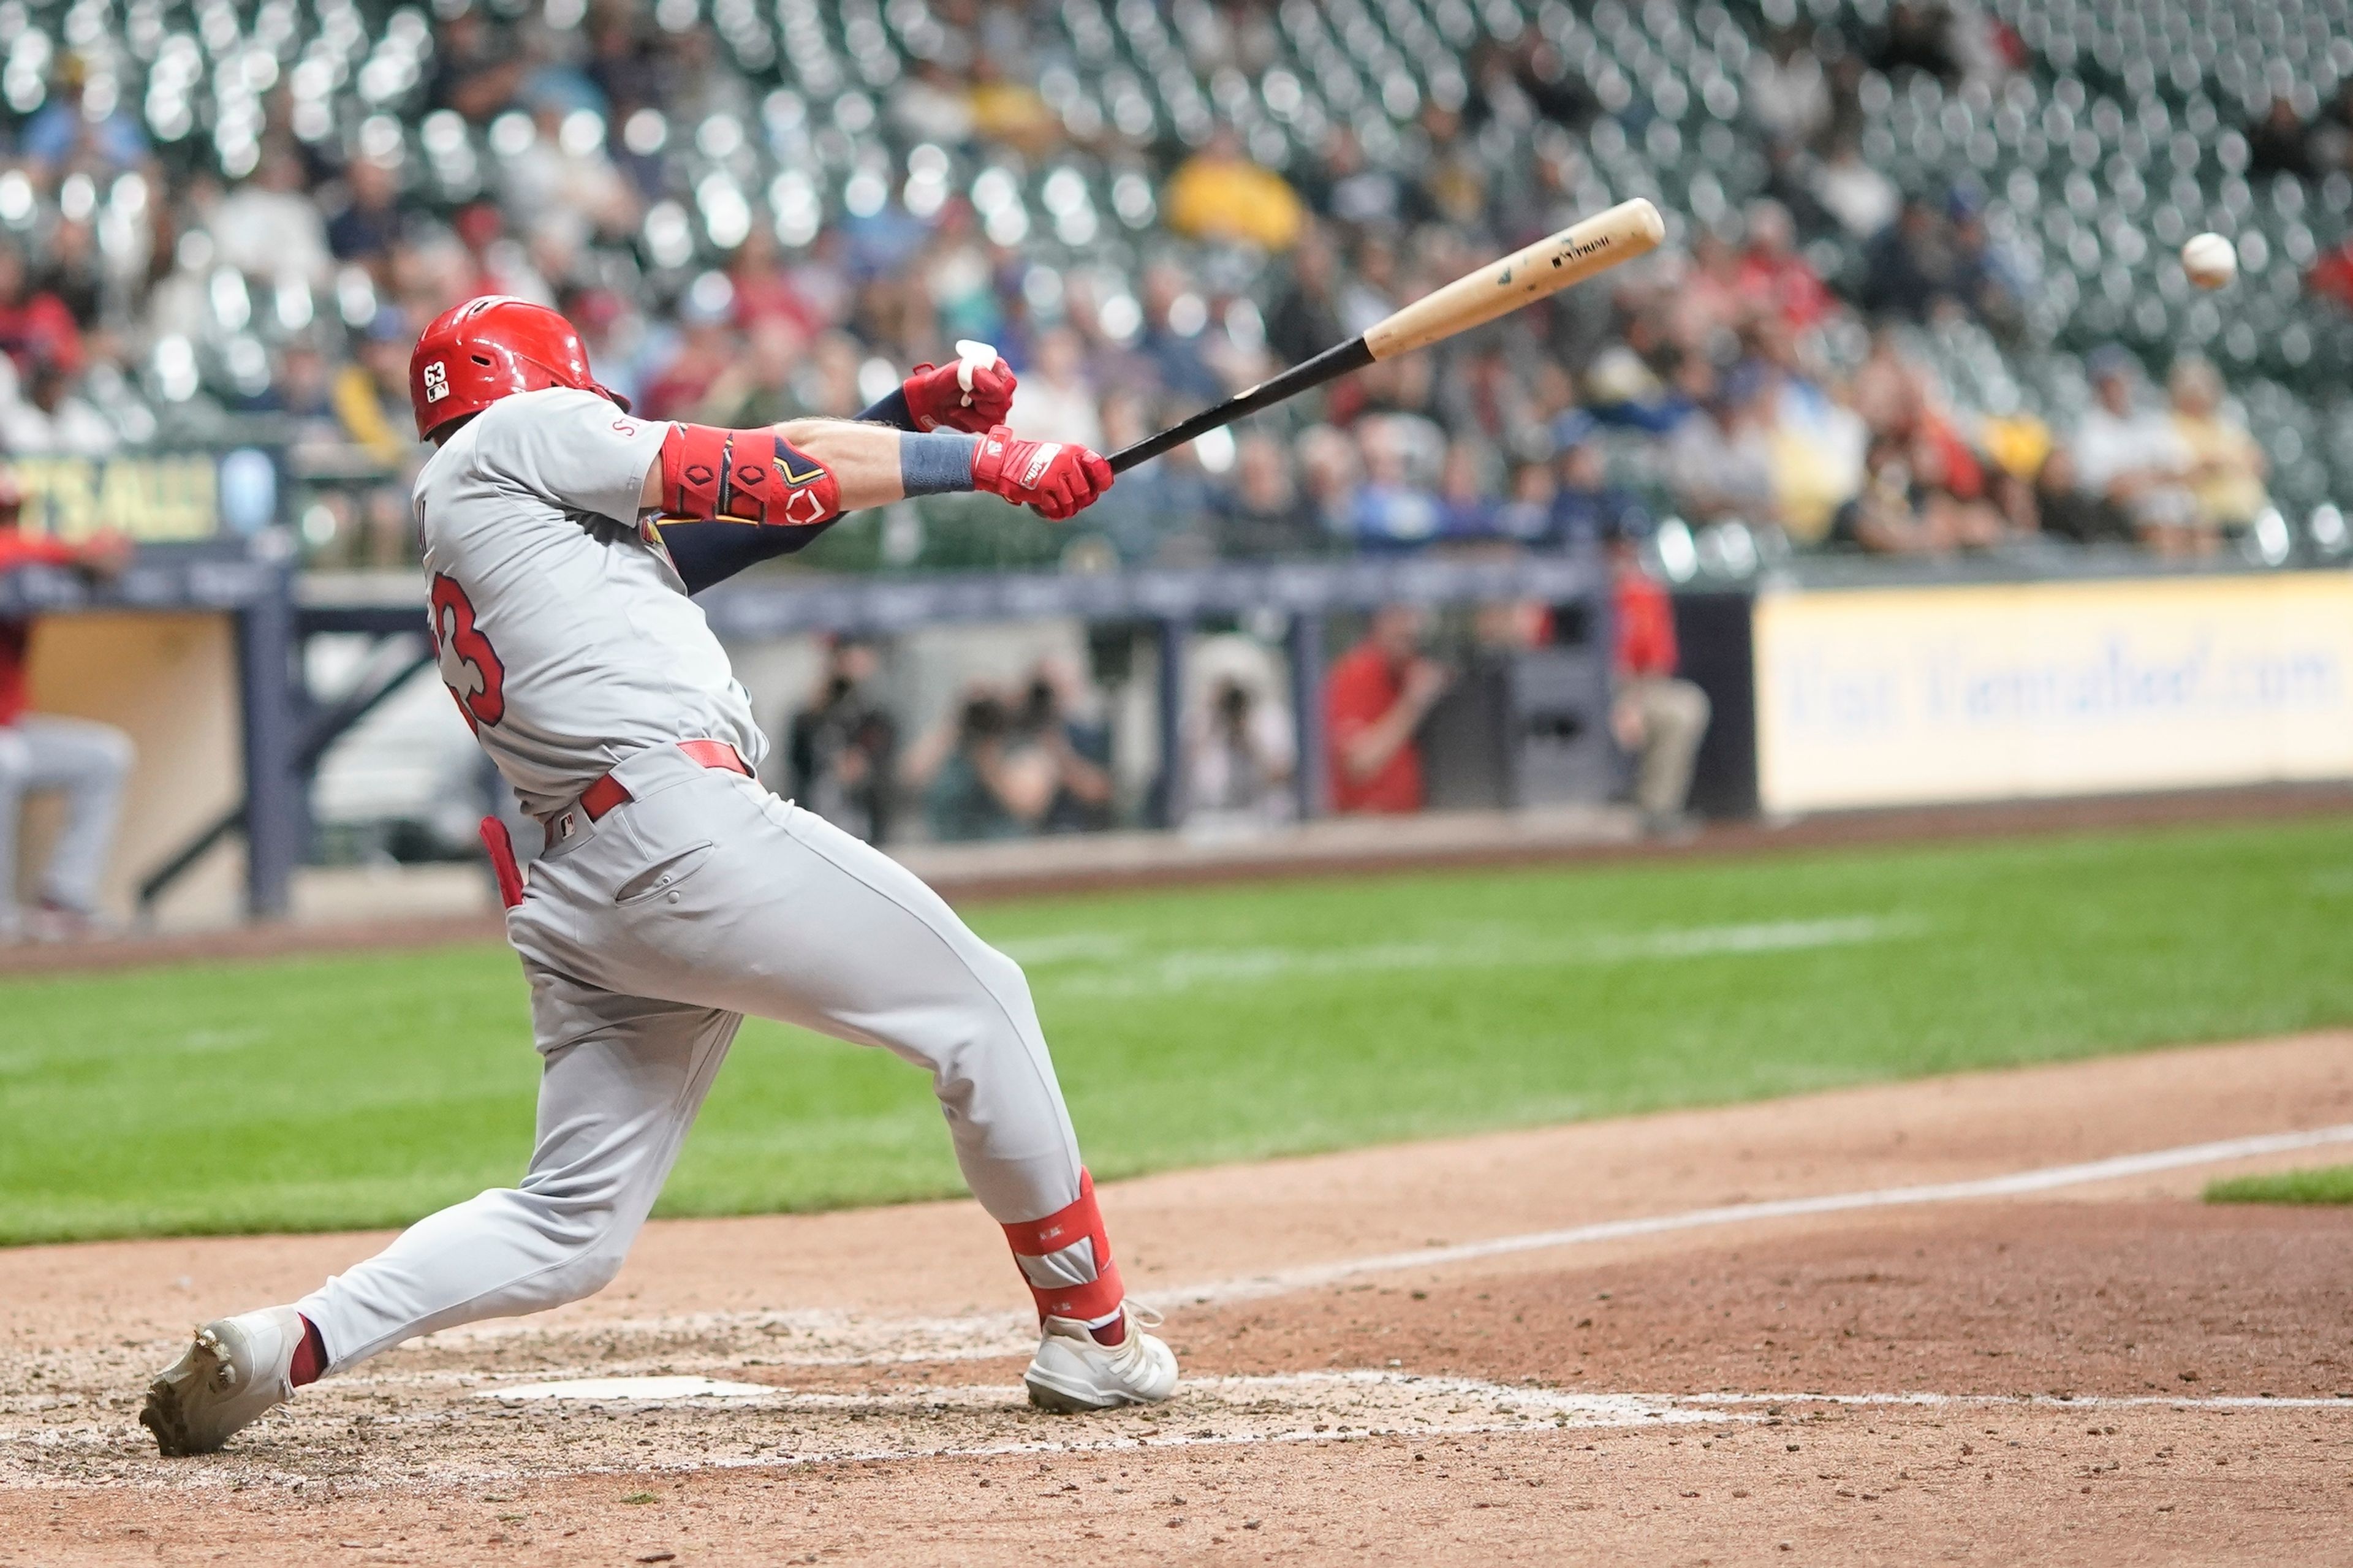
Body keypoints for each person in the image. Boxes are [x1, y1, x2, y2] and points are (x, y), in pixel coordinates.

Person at [138, 296, 1173, 1459]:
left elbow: (752, 524)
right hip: (677, 833)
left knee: (570, 1220)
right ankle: (1091, 1329)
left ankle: (286, 1341)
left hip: (580, 884)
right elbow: (773, 473)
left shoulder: (497, 507)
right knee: (983, 1005)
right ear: (542, 380)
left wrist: (904, 415)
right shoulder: (518, 436)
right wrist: (989, 461)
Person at [0, 471, 134, 942]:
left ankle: (65, 896)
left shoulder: (30, 553)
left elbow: (107, 546)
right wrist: (74, 553)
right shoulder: (24, 553)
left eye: (14, 513)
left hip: (10, 725)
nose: (10, 524)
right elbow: (11, 551)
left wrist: (89, 549)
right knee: (6, 761)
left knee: (105, 755)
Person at [1608, 531, 1710, 835]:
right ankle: (1652, 808)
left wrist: (1632, 705)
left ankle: (1658, 809)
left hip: (1634, 690)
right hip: (1592, 693)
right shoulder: (1588, 588)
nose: (1625, 554)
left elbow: (1656, 662)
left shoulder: (1645, 594)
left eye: (1630, 546)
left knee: (1688, 705)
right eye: (1617, 546)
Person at [2072, 348, 2202, 556]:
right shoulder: (2090, 431)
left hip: (2175, 516)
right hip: (2122, 523)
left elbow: (2190, 472)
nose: (2117, 389)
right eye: (2109, 383)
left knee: (2204, 531)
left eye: (2121, 380)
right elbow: (2112, 490)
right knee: (2161, 534)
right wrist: (2162, 476)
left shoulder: (2152, 421)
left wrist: (2144, 478)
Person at [1324, 604, 1449, 815]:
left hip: (1416, 821)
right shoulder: (1355, 673)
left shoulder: (1414, 670)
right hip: (1366, 826)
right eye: (1398, 618)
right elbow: (1359, 764)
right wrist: (1412, 703)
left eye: (1413, 618)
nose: (1410, 628)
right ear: (1377, 623)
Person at [781, 635, 898, 844]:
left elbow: (888, 774)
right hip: (815, 826)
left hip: (867, 829)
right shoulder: (808, 718)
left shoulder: (877, 719)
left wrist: (863, 769)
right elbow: (796, 767)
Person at [2166, 355, 2270, 535]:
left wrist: (2221, 465)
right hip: (2203, 520)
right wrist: (2221, 465)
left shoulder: (2228, 424)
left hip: (2249, 516)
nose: (2202, 394)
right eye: (2195, 389)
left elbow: (2258, 463)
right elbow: (2183, 473)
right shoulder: (2169, 428)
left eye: (2207, 387)